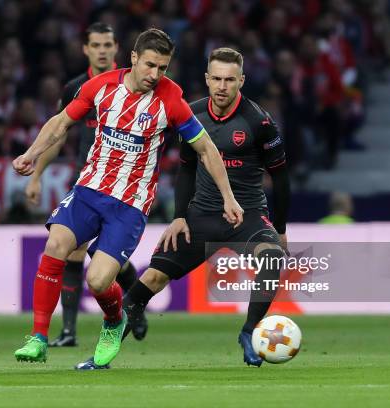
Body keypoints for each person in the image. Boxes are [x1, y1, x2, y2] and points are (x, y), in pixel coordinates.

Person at [12, 29, 244, 369]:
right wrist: (32, 154)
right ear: (133, 58)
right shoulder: (100, 87)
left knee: (98, 280)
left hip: (130, 204)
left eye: (162, 68)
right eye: (150, 65)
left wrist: (229, 197)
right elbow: (61, 123)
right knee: (56, 245)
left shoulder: (171, 102)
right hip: (90, 189)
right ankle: (38, 338)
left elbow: (206, 149)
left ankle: (113, 320)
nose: (155, 75)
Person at [120, 47, 290, 368]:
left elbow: (281, 179)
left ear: (241, 81)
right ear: (207, 79)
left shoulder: (259, 122)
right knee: (151, 280)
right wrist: (179, 217)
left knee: (271, 257)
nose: (222, 86)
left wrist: (279, 230)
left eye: (230, 80)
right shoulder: (190, 113)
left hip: (247, 217)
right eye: (217, 79)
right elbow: (185, 168)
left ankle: (250, 333)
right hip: (201, 216)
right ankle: (104, 349)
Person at [24, 22, 141, 348]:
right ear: (86, 49)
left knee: (111, 262)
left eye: (107, 44)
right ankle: (68, 331)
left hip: (123, 186)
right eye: (96, 45)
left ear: (116, 48)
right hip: (87, 179)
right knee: (70, 249)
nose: (102, 50)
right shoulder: (76, 88)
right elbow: (58, 134)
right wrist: (35, 175)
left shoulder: (134, 87)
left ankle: (135, 308)